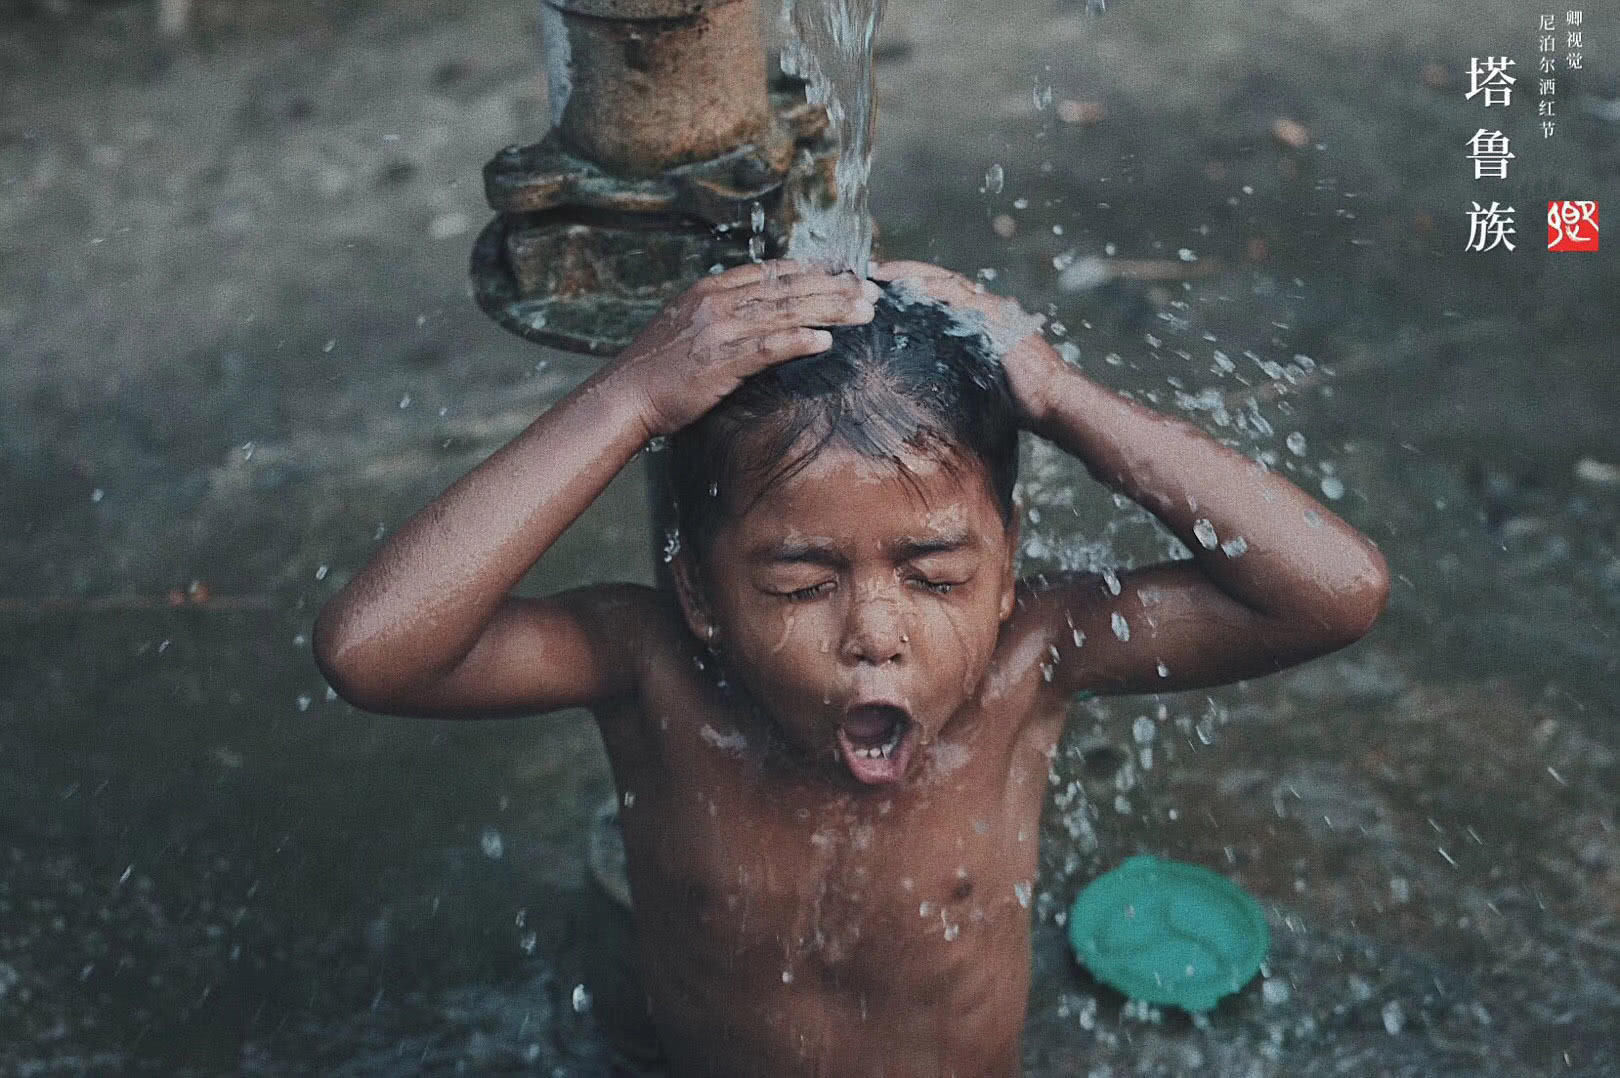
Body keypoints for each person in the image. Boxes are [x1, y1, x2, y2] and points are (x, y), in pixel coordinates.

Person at [312, 258, 1390, 1076]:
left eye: (934, 575)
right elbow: (374, 653)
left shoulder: (1032, 663)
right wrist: (629, 397)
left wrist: (1061, 396)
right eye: (798, 583)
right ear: (698, 594)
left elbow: (1334, 590)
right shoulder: (653, 670)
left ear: (1006, 566)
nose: (876, 630)